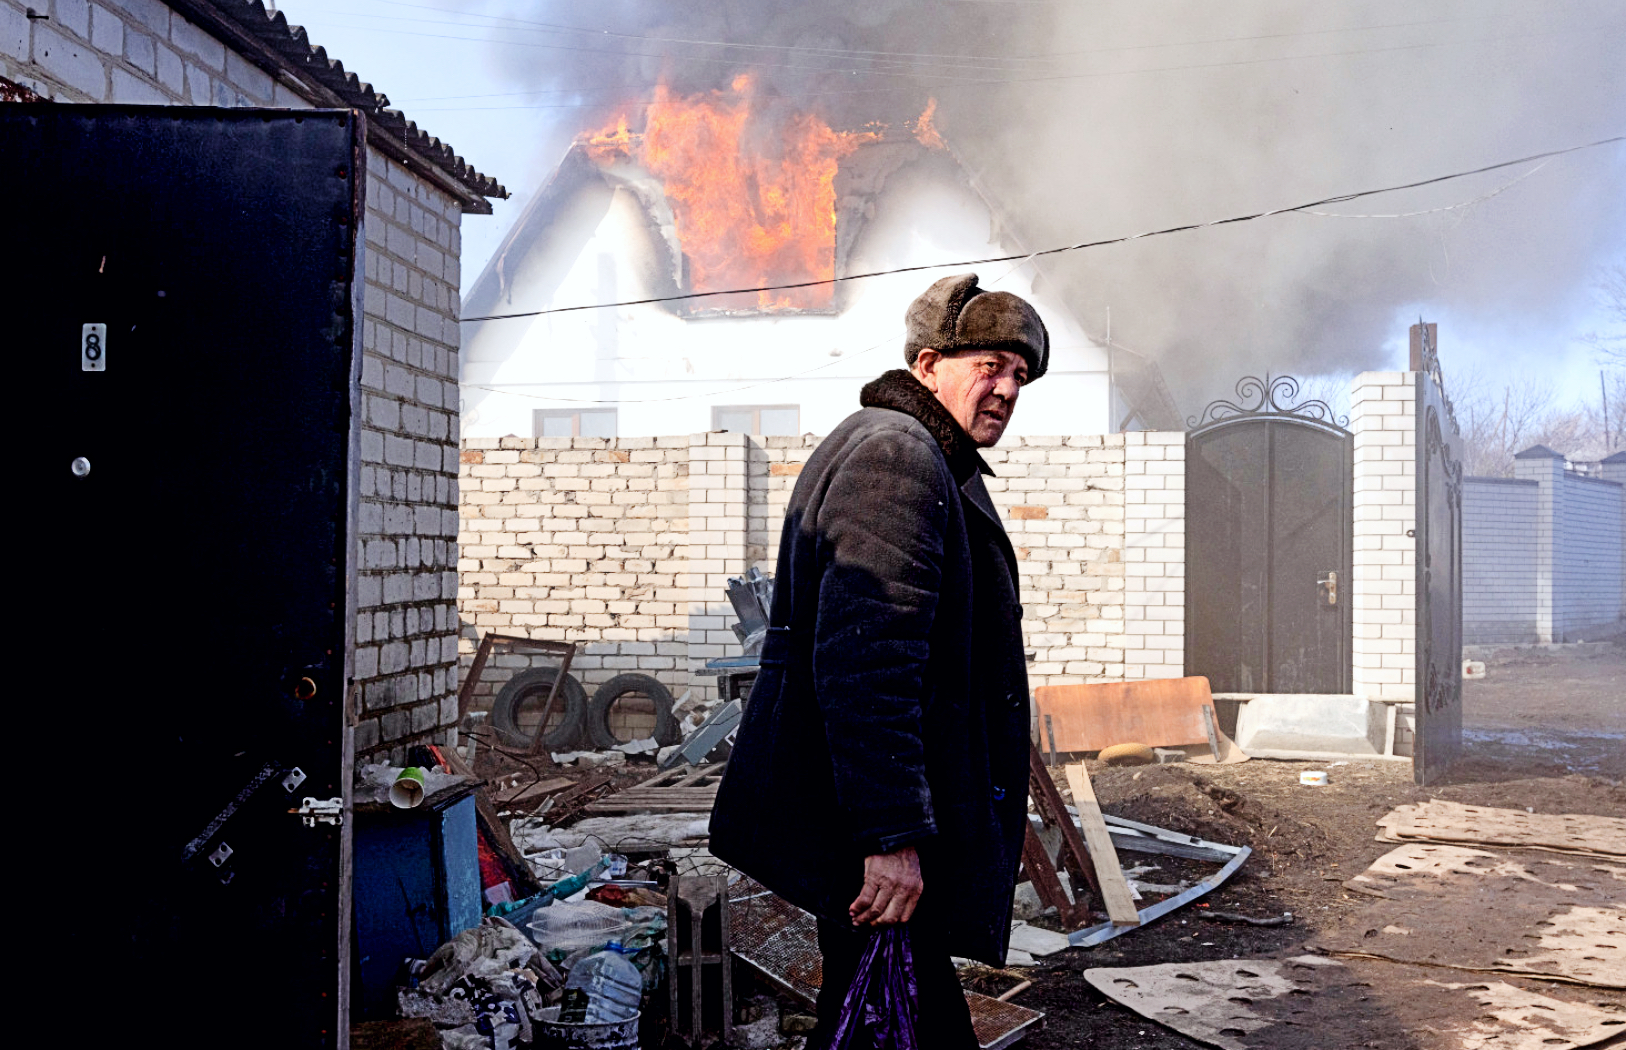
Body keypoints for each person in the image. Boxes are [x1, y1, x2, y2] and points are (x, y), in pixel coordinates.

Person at [710, 273, 1048, 1048]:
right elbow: (868, 667)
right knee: (899, 1020)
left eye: (1019, 375)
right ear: (928, 366)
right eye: (989, 366)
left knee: (878, 1015)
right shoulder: (898, 459)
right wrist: (890, 838)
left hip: (867, 823)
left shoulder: (912, 451)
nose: (1006, 389)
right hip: (873, 834)